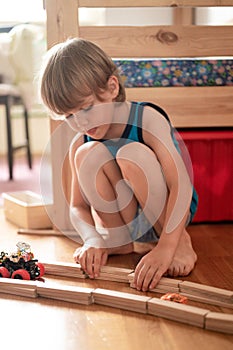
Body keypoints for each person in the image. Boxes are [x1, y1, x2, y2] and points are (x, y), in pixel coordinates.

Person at [39, 38, 198, 291]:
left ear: (112, 88)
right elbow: (77, 206)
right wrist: (92, 238)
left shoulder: (147, 119)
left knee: (132, 154)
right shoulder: (82, 136)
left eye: (86, 108)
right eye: (69, 116)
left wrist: (167, 248)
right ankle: (119, 240)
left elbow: (181, 185)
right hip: (127, 221)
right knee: (86, 152)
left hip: (169, 212)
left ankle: (178, 242)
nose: (79, 122)